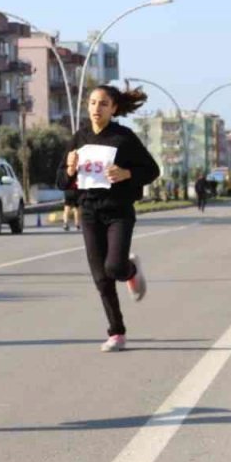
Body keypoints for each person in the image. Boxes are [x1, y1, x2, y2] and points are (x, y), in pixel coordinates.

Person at [65, 83, 161, 353]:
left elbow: (151, 170)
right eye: (93, 103)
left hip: (118, 210)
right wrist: (70, 169)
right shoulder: (79, 137)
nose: (97, 108)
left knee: (115, 268)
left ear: (114, 109)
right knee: (101, 278)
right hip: (89, 212)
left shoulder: (124, 137)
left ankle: (130, 270)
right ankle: (116, 332)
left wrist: (127, 174)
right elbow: (62, 179)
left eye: (104, 104)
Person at [57, 161, 81, 232]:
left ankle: (65, 223)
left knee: (66, 208)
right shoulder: (78, 170)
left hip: (68, 191)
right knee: (76, 209)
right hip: (76, 190)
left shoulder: (68, 169)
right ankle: (77, 224)